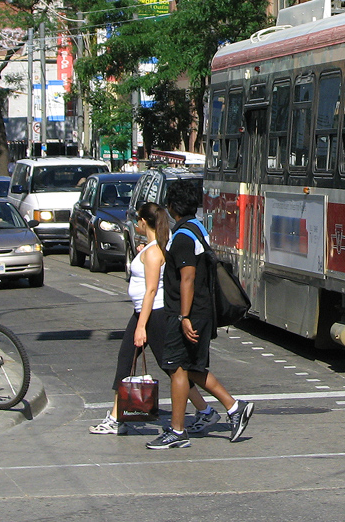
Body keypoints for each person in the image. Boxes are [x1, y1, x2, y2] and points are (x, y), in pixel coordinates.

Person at [90, 202, 214, 436]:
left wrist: (141, 326)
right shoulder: (152, 248)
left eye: (138, 219)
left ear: (144, 222)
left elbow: (151, 291)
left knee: (173, 370)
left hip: (153, 315)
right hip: (143, 313)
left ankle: (206, 410)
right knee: (126, 363)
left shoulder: (155, 250)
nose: (136, 223)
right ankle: (117, 418)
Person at [147, 182, 254, 449]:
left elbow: (188, 278)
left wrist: (184, 317)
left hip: (188, 313)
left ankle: (178, 431)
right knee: (191, 368)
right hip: (200, 311)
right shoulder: (197, 228)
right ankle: (233, 407)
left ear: (172, 207)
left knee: (176, 367)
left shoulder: (183, 237)